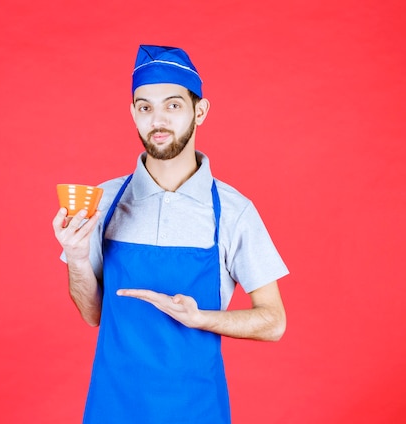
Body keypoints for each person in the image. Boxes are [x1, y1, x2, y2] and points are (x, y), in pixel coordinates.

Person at [52, 44, 289, 424]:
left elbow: (273, 322)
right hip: (112, 406)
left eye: (173, 105)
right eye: (145, 107)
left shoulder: (233, 211)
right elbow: (93, 313)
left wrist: (201, 319)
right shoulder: (105, 200)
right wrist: (77, 259)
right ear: (133, 113)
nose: (157, 119)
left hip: (196, 409)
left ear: (200, 111)